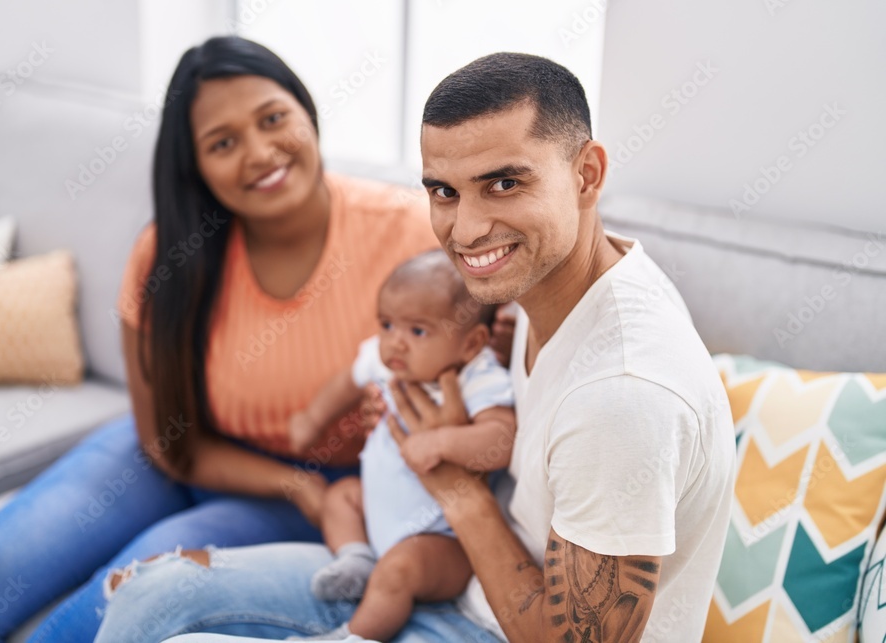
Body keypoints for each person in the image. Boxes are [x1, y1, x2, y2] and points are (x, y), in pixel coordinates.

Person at [92, 52, 736, 643]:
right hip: (453, 575)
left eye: (504, 184)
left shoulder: (623, 394)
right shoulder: (547, 290)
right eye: (444, 191)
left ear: (586, 175)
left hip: (492, 626)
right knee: (150, 596)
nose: (468, 228)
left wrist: (454, 485)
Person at [0, 37, 441, 643]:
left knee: (117, 597)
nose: (260, 153)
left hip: (320, 493)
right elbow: (165, 441)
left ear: (306, 113)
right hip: (172, 451)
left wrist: (307, 484)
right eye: (223, 143)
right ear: (196, 165)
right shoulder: (168, 252)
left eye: (273, 119)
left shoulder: (413, 234)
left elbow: (481, 352)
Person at [286, 250, 515, 641]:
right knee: (340, 496)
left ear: (471, 342)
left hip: (442, 542)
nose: (395, 343)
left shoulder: (478, 377)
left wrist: (442, 442)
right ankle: (355, 557)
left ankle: (355, 636)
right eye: (387, 324)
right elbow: (348, 379)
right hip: (377, 514)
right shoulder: (389, 359)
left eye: (418, 331)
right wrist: (310, 420)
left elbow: (502, 438)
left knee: (397, 571)